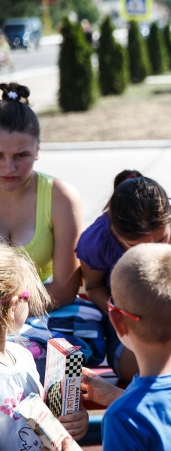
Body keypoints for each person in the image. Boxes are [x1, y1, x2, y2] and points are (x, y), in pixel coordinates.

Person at [43, 243, 171, 451]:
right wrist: (118, 396)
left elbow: (142, 416)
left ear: (117, 321)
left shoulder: (121, 418)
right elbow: (161, 412)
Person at [75, 170, 171, 381]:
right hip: (134, 334)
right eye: (135, 246)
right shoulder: (97, 240)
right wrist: (128, 315)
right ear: (113, 229)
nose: (150, 252)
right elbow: (93, 287)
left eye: (161, 240)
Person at [0, 243, 88, 451]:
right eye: (28, 296)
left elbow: (42, 416)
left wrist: (72, 419)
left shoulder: (21, 354)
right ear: (12, 306)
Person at [0, 83, 83, 309]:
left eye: (21, 155)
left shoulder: (61, 197)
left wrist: (8, 314)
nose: (8, 167)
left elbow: (65, 288)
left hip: (43, 312)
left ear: (37, 150)